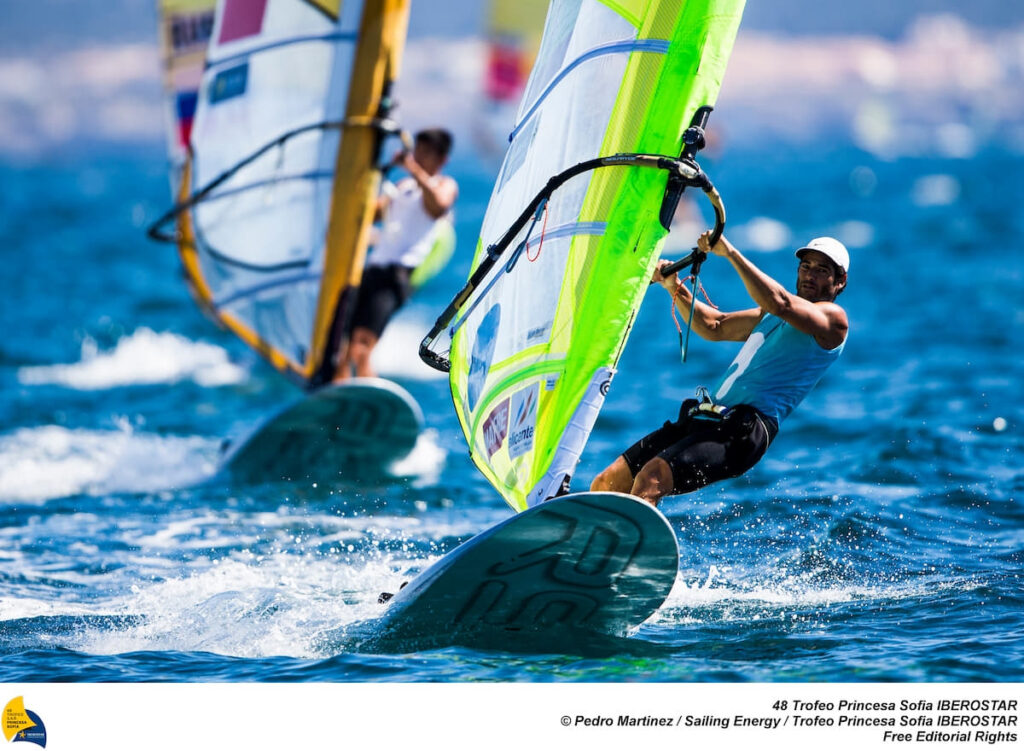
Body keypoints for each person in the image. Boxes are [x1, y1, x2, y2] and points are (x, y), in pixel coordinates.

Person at [591, 232, 850, 506]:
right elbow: (714, 326)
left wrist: (730, 253)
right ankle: (590, 542)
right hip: (709, 419)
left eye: (822, 271)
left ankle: (633, 547)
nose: (810, 275)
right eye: (806, 267)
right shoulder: (772, 315)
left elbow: (781, 302)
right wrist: (675, 286)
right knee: (608, 482)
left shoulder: (833, 321)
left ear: (840, 281)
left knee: (651, 479)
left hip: (745, 432)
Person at [333, 128, 459, 381]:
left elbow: (439, 206)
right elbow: (370, 214)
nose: (418, 157)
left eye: (426, 153)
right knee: (343, 348)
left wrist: (412, 168)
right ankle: (339, 397)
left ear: (442, 159)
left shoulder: (444, 186)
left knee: (362, 347)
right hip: (372, 271)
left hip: (397, 276)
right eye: (417, 151)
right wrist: (364, 177)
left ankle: (370, 400)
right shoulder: (403, 186)